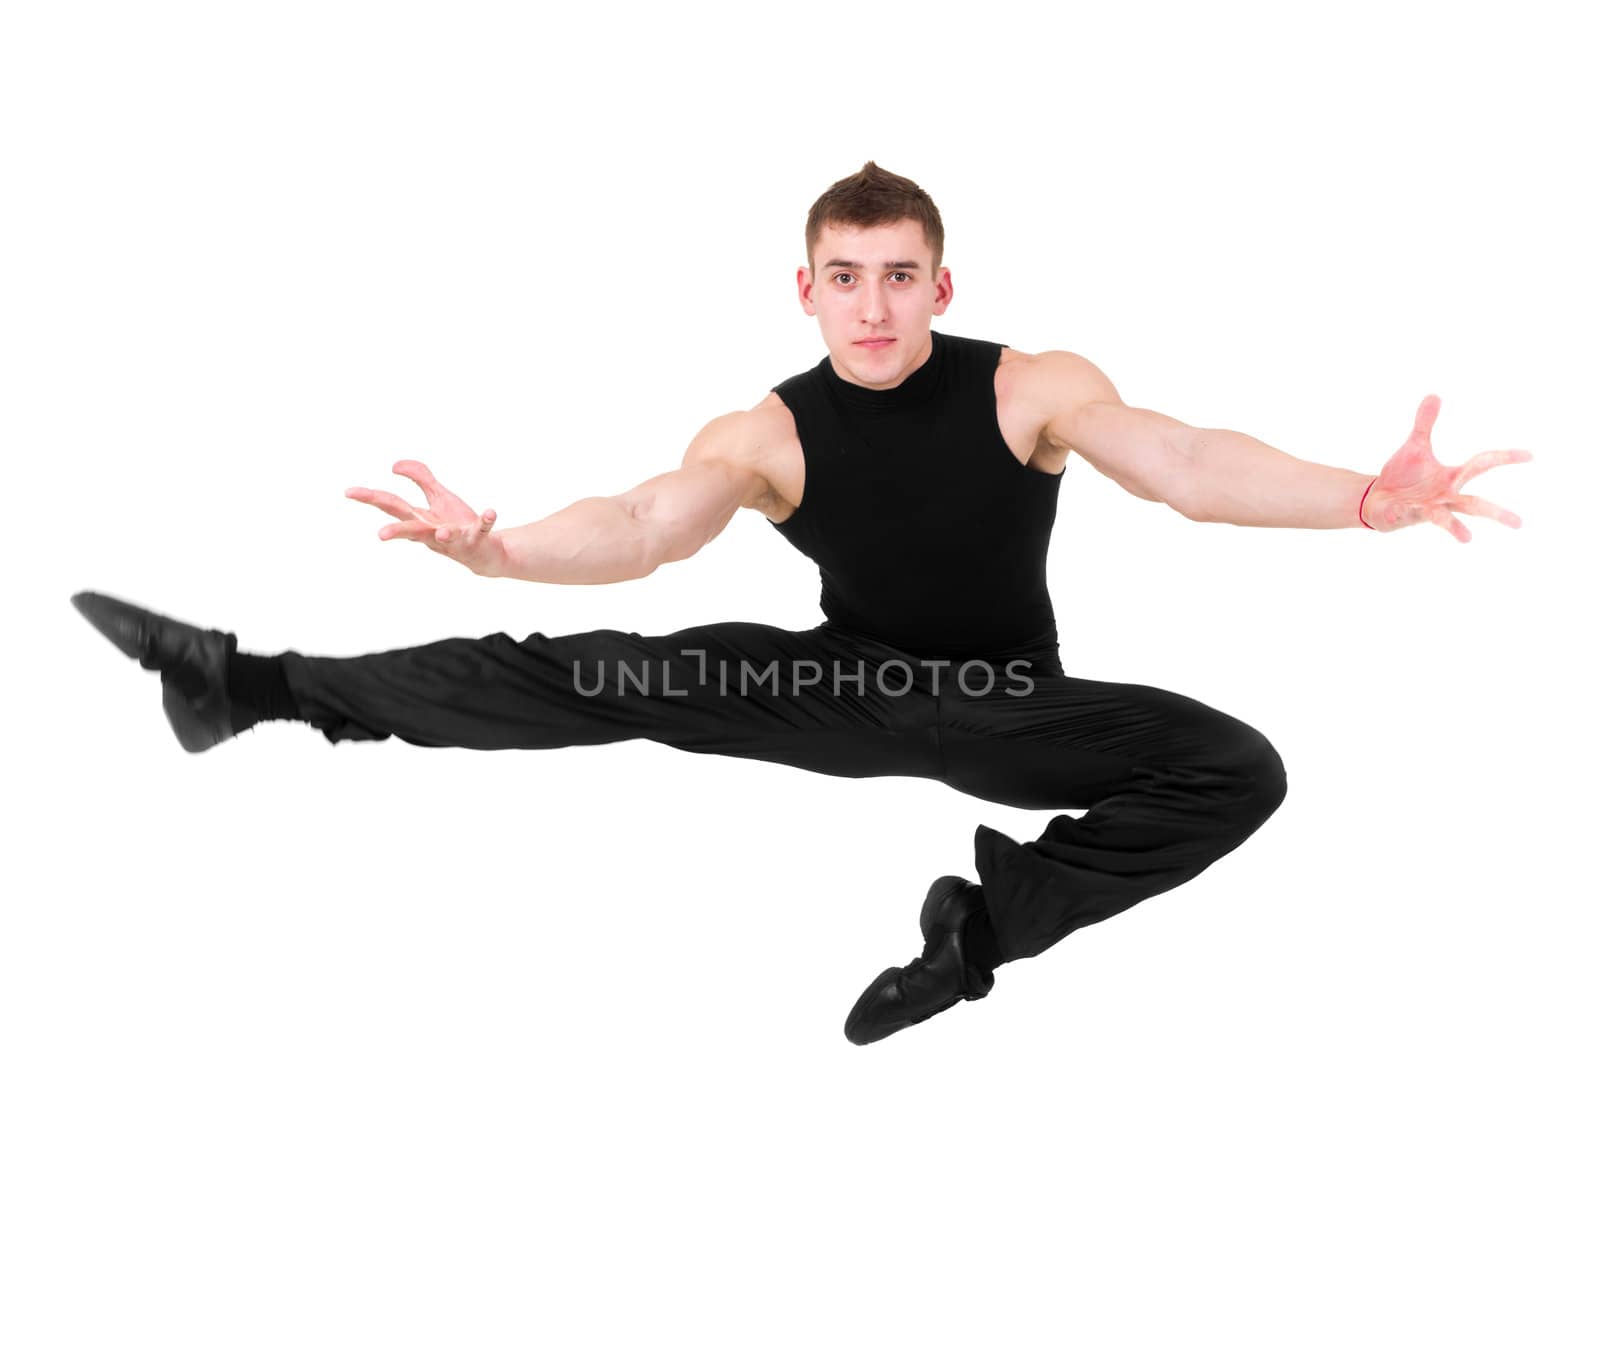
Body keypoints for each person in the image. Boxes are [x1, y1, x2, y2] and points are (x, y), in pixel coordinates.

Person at [71, 161, 1533, 1046]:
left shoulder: (1032, 388)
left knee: (1236, 766)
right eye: (848, 280)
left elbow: (1190, 464)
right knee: (590, 672)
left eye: (901, 277)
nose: (877, 308)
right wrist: (497, 545)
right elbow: (644, 525)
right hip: (835, 687)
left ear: (942, 281)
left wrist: (1366, 497)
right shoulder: (769, 432)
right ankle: (247, 684)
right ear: (807, 290)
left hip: (998, 703)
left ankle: (982, 936)